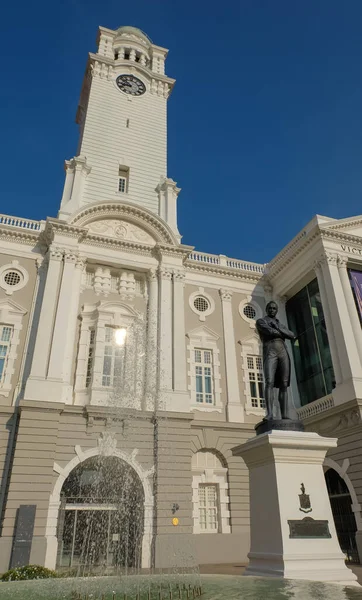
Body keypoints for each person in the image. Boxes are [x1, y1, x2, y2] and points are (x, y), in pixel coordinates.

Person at [256, 301, 296, 420]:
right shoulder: (261, 321)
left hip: (283, 351)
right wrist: (281, 332)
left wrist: (278, 328)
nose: (272, 310)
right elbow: (270, 332)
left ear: (276, 310)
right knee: (269, 382)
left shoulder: (279, 324)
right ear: (267, 309)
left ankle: (284, 414)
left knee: (284, 384)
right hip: (270, 351)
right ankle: (269, 414)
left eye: (274, 308)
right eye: (270, 308)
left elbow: (292, 335)